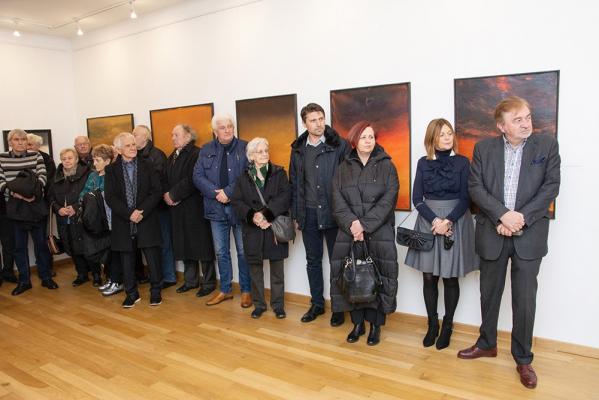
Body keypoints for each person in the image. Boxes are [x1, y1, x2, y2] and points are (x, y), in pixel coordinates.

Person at [457, 97, 561, 390]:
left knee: (525, 300)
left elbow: (551, 187)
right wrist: (502, 215)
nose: (526, 123)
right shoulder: (483, 149)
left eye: (527, 117)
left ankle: (523, 358)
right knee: (489, 293)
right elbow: (475, 187)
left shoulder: (547, 146)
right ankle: (487, 343)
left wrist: (519, 219)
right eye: (518, 120)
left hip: (530, 234)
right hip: (493, 231)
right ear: (502, 126)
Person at [404, 118, 478, 350]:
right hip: (429, 222)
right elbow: (417, 199)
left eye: (449, 133)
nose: (447, 138)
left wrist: (448, 221)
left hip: (455, 221)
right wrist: (435, 220)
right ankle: (432, 325)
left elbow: (466, 198)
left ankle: (447, 326)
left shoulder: (463, 162)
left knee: (450, 277)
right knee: (429, 277)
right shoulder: (423, 163)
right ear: (432, 139)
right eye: (441, 134)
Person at [330, 121, 399, 346]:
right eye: (363, 137)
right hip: (349, 232)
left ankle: (375, 327)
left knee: (378, 278)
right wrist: (353, 224)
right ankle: (357, 324)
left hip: (378, 232)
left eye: (371, 137)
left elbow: (388, 200)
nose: (368, 141)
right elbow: (337, 200)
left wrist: (364, 225)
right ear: (354, 140)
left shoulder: (387, 166)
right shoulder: (343, 167)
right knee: (352, 277)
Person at [289, 103, 350, 326]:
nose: (318, 124)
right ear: (304, 123)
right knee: (312, 261)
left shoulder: (339, 145)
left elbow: (349, 181)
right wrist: (297, 214)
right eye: (313, 120)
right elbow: (294, 184)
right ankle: (316, 304)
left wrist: (347, 214)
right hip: (308, 215)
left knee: (337, 262)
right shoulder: (298, 149)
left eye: (321, 118)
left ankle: (339, 307)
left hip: (335, 214)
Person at [192, 115, 252, 308]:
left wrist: (228, 192)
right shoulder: (206, 149)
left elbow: (249, 173)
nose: (227, 130)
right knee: (221, 252)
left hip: (239, 208)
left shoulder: (245, 147)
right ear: (215, 131)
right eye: (223, 127)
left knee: (243, 251)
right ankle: (225, 290)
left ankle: (246, 290)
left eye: (230, 126)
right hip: (215, 209)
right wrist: (216, 193)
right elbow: (197, 176)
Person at [231, 137, 291, 319]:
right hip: (253, 230)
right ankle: (259, 305)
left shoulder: (279, 173)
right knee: (255, 269)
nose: (265, 154)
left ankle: (278, 305)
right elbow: (237, 201)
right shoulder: (243, 177)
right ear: (251, 156)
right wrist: (253, 216)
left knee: (277, 270)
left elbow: (285, 197)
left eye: (266, 150)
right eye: (260, 152)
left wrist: (266, 215)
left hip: (273, 227)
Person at [104, 132, 163, 308]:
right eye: (128, 145)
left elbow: (156, 191)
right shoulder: (111, 170)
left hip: (146, 218)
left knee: (153, 259)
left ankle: (156, 292)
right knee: (127, 260)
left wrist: (140, 212)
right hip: (123, 220)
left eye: (133, 144)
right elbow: (110, 197)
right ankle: (131, 294)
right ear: (119, 149)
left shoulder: (148, 165)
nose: (133, 148)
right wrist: (129, 213)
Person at [0, 129, 57, 295]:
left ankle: (46, 277)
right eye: (16, 139)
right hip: (14, 207)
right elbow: (1, 182)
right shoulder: (2, 158)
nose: (20, 142)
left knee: (41, 245)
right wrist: (16, 194)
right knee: (19, 247)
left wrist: (33, 195)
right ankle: (24, 281)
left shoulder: (36, 156)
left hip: (35, 205)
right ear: (10, 142)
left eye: (23, 139)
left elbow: (43, 178)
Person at [165, 125, 216, 297]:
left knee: (202, 246)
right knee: (185, 245)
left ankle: (208, 283)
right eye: (172, 135)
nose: (173, 138)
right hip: (178, 209)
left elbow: (193, 179)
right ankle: (190, 281)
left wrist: (173, 195)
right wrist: (167, 194)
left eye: (176, 134)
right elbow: (165, 178)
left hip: (195, 208)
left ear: (188, 136)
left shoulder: (196, 153)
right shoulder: (173, 155)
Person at [48, 148, 99, 286]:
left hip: (83, 217)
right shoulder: (56, 177)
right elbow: (50, 198)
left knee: (88, 246)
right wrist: (58, 209)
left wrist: (76, 207)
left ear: (76, 159)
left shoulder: (88, 174)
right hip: (64, 219)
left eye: (70, 158)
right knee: (72, 246)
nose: (67, 161)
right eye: (64, 159)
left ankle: (96, 275)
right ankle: (81, 274)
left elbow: (93, 194)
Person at [133, 125, 175, 288]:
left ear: (145, 137)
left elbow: (157, 183)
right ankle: (156, 276)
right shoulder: (135, 155)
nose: (133, 137)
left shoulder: (157, 155)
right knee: (151, 244)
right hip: (146, 208)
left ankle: (169, 277)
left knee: (164, 242)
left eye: (135, 134)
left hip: (159, 207)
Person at [79, 144, 123, 296]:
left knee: (113, 252)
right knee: (103, 251)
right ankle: (111, 279)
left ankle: (116, 280)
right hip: (98, 221)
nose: (94, 163)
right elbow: (83, 195)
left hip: (113, 220)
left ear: (108, 161)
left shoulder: (114, 175)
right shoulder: (93, 176)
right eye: (94, 160)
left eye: (98, 160)